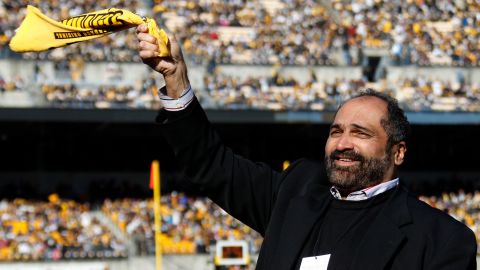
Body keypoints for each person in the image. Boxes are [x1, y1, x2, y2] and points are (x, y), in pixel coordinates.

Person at [136, 24, 477, 270]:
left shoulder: (441, 240)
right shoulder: (295, 190)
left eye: (360, 133)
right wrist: (176, 78)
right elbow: (212, 166)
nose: (342, 144)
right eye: (336, 131)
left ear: (397, 152)